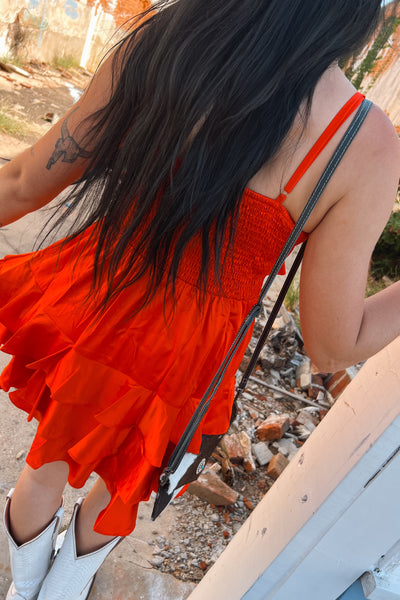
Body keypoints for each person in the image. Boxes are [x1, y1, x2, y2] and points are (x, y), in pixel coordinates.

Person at [1, 0, 400, 598]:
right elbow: (331, 343)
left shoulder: (169, 39)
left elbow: (22, 183)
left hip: (101, 302)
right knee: (120, 489)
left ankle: (23, 588)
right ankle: (62, 590)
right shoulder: (361, 141)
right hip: (189, 355)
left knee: (44, 467)